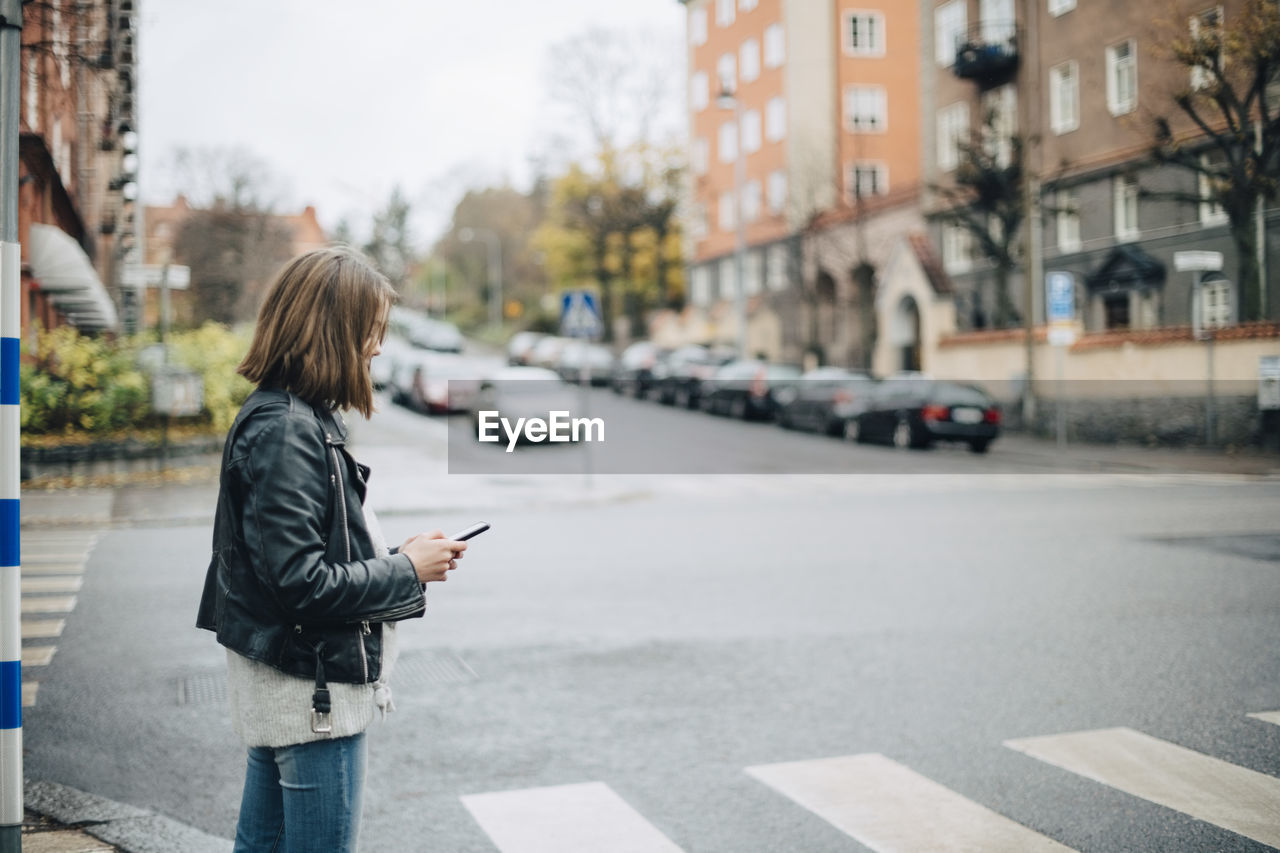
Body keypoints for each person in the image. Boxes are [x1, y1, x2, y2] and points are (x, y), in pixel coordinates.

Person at [196, 246, 467, 852]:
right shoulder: (289, 428)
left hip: (291, 687)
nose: (377, 348)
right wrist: (405, 570)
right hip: (310, 694)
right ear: (334, 330)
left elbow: (298, 560)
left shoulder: (290, 418)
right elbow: (301, 584)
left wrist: (400, 555)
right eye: (370, 331)